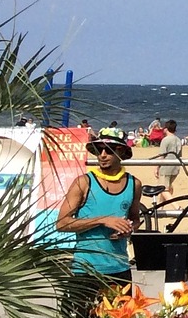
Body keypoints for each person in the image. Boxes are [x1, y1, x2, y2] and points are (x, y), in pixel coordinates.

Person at [55, 129, 143, 305]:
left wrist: (128, 229)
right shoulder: (84, 182)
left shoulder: (134, 184)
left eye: (108, 150)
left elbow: (135, 218)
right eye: (98, 150)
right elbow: (62, 223)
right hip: (85, 270)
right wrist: (102, 220)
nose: (102, 155)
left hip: (119, 268)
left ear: (121, 152)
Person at [156, 119, 184, 197]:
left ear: (166, 129)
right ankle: (161, 207)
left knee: (163, 189)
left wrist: (156, 168)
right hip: (175, 167)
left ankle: (176, 207)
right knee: (168, 187)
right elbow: (179, 155)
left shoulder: (165, 140)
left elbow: (161, 156)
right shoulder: (178, 140)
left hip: (166, 167)